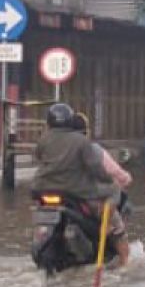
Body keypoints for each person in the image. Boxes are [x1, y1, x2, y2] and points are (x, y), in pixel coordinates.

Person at [32, 102, 131, 265]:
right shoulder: (82, 142)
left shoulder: (43, 140)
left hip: (41, 189)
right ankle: (113, 235)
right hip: (74, 191)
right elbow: (94, 167)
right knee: (114, 190)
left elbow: (39, 157)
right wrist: (107, 180)